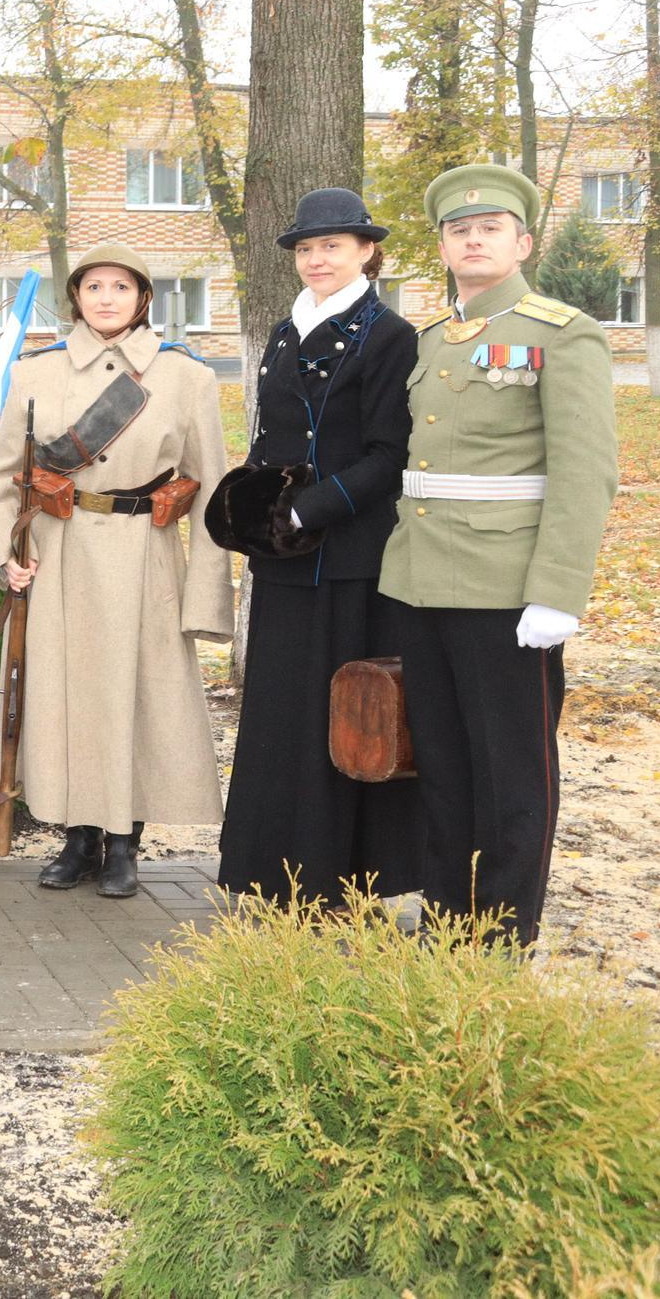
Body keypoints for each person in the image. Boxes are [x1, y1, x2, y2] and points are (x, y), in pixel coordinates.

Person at [379, 163, 617, 945]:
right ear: (444, 246)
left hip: (509, 592)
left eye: (489, 228)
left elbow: (586, 472)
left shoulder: (560, 332)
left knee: (514, 773)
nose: (472, 239)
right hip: (423, 581)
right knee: (442, 767)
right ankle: (448, 918)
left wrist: (558, 592)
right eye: (458, 230)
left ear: (522, 241)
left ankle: (507, 930)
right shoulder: (431, 340)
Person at [0, 242, 232, 898]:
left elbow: (212, 493)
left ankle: (125, 842)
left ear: (143, 296)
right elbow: (3, 477)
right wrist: (7, 555)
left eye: (121, 286)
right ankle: (77, 836)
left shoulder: (186, 377)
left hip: (145, 560)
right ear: (77, 297)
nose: (107, 297)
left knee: (136, 699)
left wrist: (205, 598)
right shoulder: (37, 373)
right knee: (67, 697)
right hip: (60, 555)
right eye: (95, 287)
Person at [210, 189, 422, 905]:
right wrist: (258, 508)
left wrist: (312, 508)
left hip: (349, 556)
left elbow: (391, 453)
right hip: (283, 557)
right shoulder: (281, 331)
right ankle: (269, 872)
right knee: (276, 714)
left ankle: (338, 880)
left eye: (332, 245)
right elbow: (274, 440)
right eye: (306, 248)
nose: (316, 259)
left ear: (367, 251)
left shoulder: (390, 335)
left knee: (339, 718)